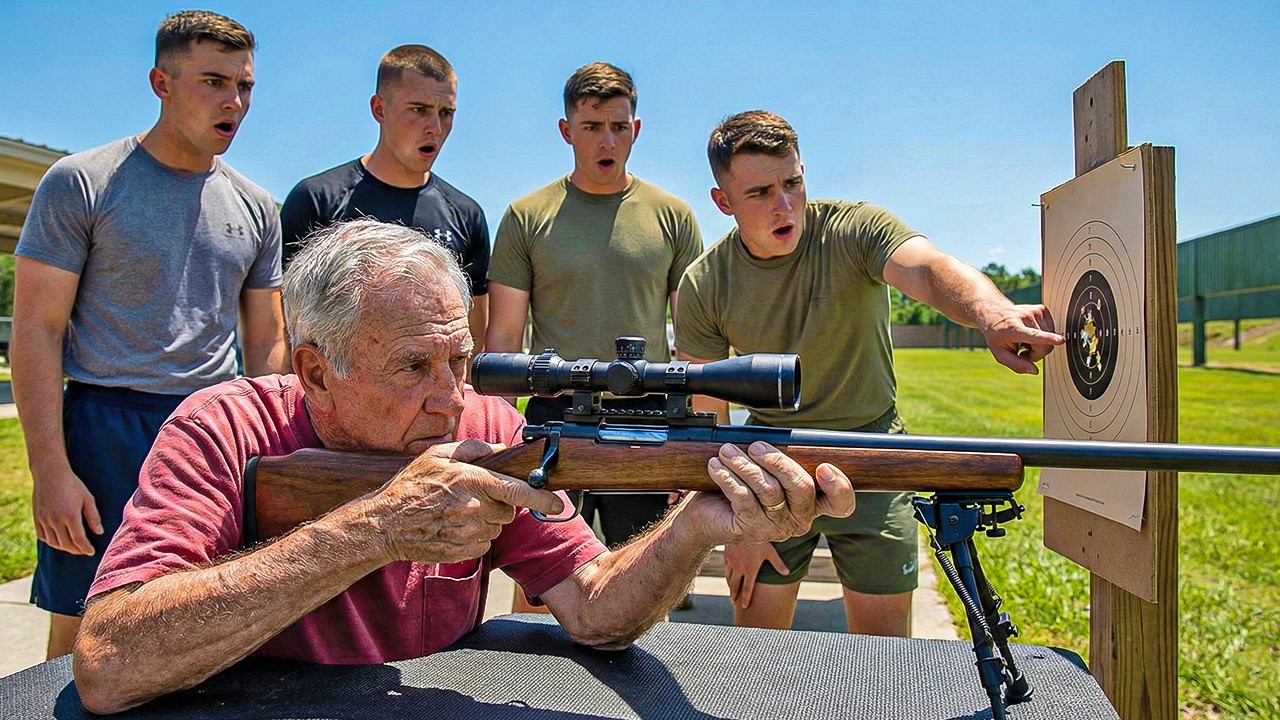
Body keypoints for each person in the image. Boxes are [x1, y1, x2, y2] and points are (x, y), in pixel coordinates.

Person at [69, 220, 856, 715]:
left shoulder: (490, 425)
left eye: (461, 360)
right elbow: (109, 665)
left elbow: (593, 612)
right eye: (413, 367)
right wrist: (371, 531)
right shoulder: (225, 428)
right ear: (314, 372)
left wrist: (692, 530)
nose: (452, 401)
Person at [674, 111, 1064, 637]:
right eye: (761, 192)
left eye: (793, 182)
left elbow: (928, 268)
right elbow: (708, 420)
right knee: (753, 653)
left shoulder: (854, 229)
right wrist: (739, 527)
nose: (785, 205)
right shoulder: (704, 284)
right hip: (767, 463)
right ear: (724, 202)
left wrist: (990, 312)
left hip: (873, 451)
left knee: (886, 660)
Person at [12, 10, 289, 659]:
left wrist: (269, 453)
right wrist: (50, 471)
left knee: (204, 623)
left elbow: (265, 345)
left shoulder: (255, 207)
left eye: (245, 86)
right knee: (83, 629)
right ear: (161, 82)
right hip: (105, 426)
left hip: (212, 432)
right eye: (213, 82)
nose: (235, 102)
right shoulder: (83, 182)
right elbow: (35, 331)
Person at [486, 61, 703, 560]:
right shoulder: (526, 217)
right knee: (541, 576)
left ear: (636, 130)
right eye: (591, 127)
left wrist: (690, 446)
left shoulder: (673, 216)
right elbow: (503, 342)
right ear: (566, 131)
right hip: (553, 418)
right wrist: (501, 438)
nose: (607, 141)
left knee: (646, 571)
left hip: (646, 417)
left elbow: (694, 343)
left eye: (618, 127)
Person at [280, 44, 490, 352]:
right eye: (419, 110)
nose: (435, 127)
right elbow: (285, 329)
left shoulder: (465, 214)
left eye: (446, 113)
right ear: (379, 109)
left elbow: (471, 342)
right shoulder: (317, 199)